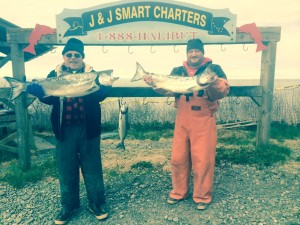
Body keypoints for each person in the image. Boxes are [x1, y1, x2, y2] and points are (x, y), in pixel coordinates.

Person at [26, 38, 110, 224]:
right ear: (64, 57)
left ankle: (95, 203)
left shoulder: (92, 75)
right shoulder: (53, 75)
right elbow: (50, 99)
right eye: (69, 55)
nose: (73, 58)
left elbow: (99, 96)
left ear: (82, 57)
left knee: (92, 168)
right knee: (66, 169)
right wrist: (39, 94)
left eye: (77, 55)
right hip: (64, 130)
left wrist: (105, 86)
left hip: (89, 129)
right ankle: (68, 205)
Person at [144, 38, 229, 210]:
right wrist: (155, 83)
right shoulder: (178, 70)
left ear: (202, 52)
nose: (194, 54)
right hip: (182, 118)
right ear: (187, 53)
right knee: (178, 158)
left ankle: (202, 196)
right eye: (191, 51)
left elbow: (223, 90)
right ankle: (179, 192)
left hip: (204, 118)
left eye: (197, 50)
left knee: (203, 159)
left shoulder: (214, 69)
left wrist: (214, 80)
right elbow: (168, 89)